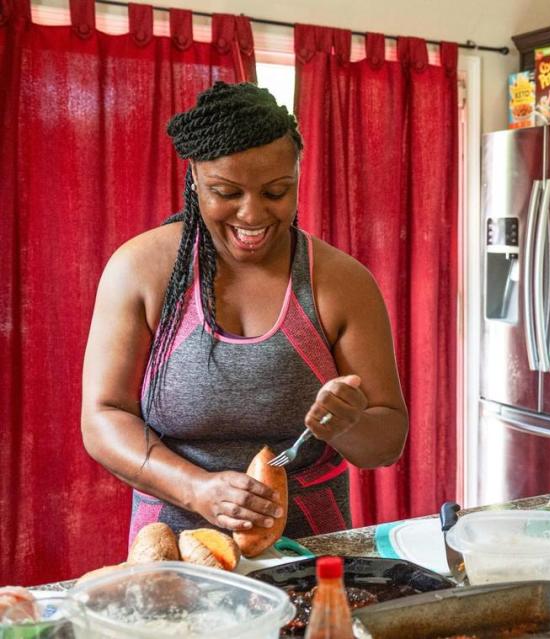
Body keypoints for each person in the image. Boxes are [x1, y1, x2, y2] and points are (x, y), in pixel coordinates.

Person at [81, 82, 408, 544]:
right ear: (194, 177)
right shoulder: (140, 269)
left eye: (276, 191)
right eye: (226, 192)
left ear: (297, 173)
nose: (252, 215)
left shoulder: (342, 283)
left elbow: (386, 443)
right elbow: (103, 416)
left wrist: (351, 424)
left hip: (312, 547)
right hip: (175, 546)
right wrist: (197, 490)